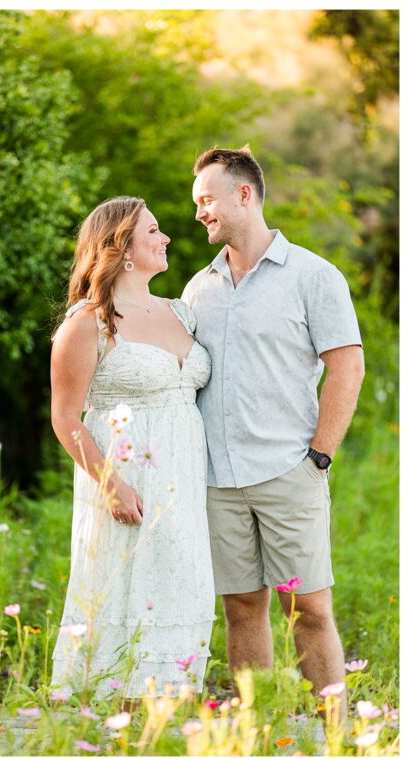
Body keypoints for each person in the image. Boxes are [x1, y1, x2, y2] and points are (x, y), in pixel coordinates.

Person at [182, 147, 364, 716]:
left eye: (206, 200)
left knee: (308, 607)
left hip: (290, 471)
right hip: (218, 479)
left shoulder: (314, 276)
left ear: (245, 194)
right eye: (195, 204)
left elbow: (348, 365)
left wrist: (319, 457)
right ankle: (260, 733)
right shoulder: (198, 289)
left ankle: (335, 736)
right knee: (241, 607)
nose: (199, 214)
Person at [49, 197, 216, 701]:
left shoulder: (181, 312)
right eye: (153, 231)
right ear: (120, 247)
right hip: (126, 477)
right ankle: (106, 702)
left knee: (180, 580)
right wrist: (112, 483)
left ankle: (170, 701)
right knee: (123, 584)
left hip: (184, 478)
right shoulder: (88, 323)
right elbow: (64, 418)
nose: (165, 239)